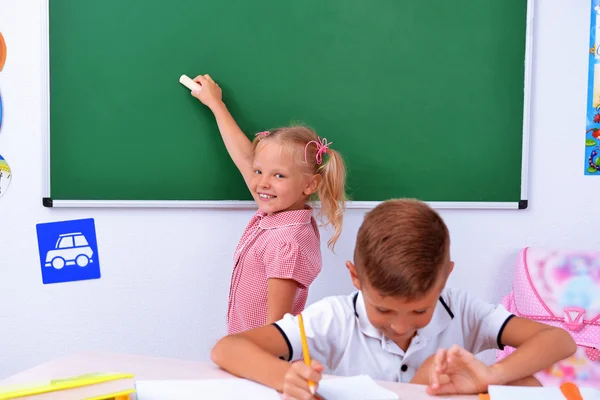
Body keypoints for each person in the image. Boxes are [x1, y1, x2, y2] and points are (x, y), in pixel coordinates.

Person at [210, 199, 577, 399]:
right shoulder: (334, 318)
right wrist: (286, 376)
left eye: (420, 310)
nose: (401, 325)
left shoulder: (462, 310)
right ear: (356, 277)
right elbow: (227, 349)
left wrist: (492, 374)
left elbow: (559, 340)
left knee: (525, 385)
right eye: (383, 309)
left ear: (445, 277)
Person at [190, 74, 347, 335]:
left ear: (310, 185)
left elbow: (277, 330)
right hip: (248, 351)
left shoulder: (287, 243)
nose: (261, 183)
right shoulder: (280, 215)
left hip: (261, 357)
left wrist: (250, 362)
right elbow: (244, 157)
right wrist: (216, 104)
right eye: (259, 171)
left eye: (279, 175)